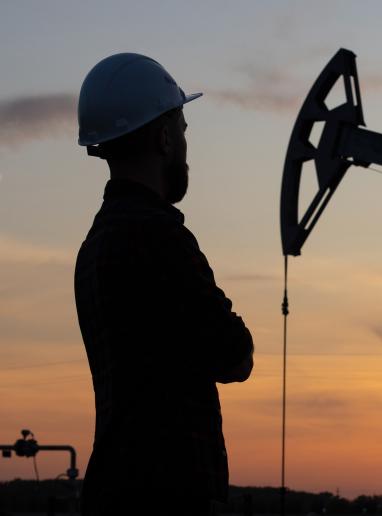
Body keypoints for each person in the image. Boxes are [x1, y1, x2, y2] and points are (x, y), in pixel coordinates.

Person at [74, 53, 254, 516]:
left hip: (115, 488)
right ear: (163, 137)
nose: (186, 145)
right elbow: (233, 353)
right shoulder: (159, 235)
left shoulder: (95, 245)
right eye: (184, 131)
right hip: (166, 495)